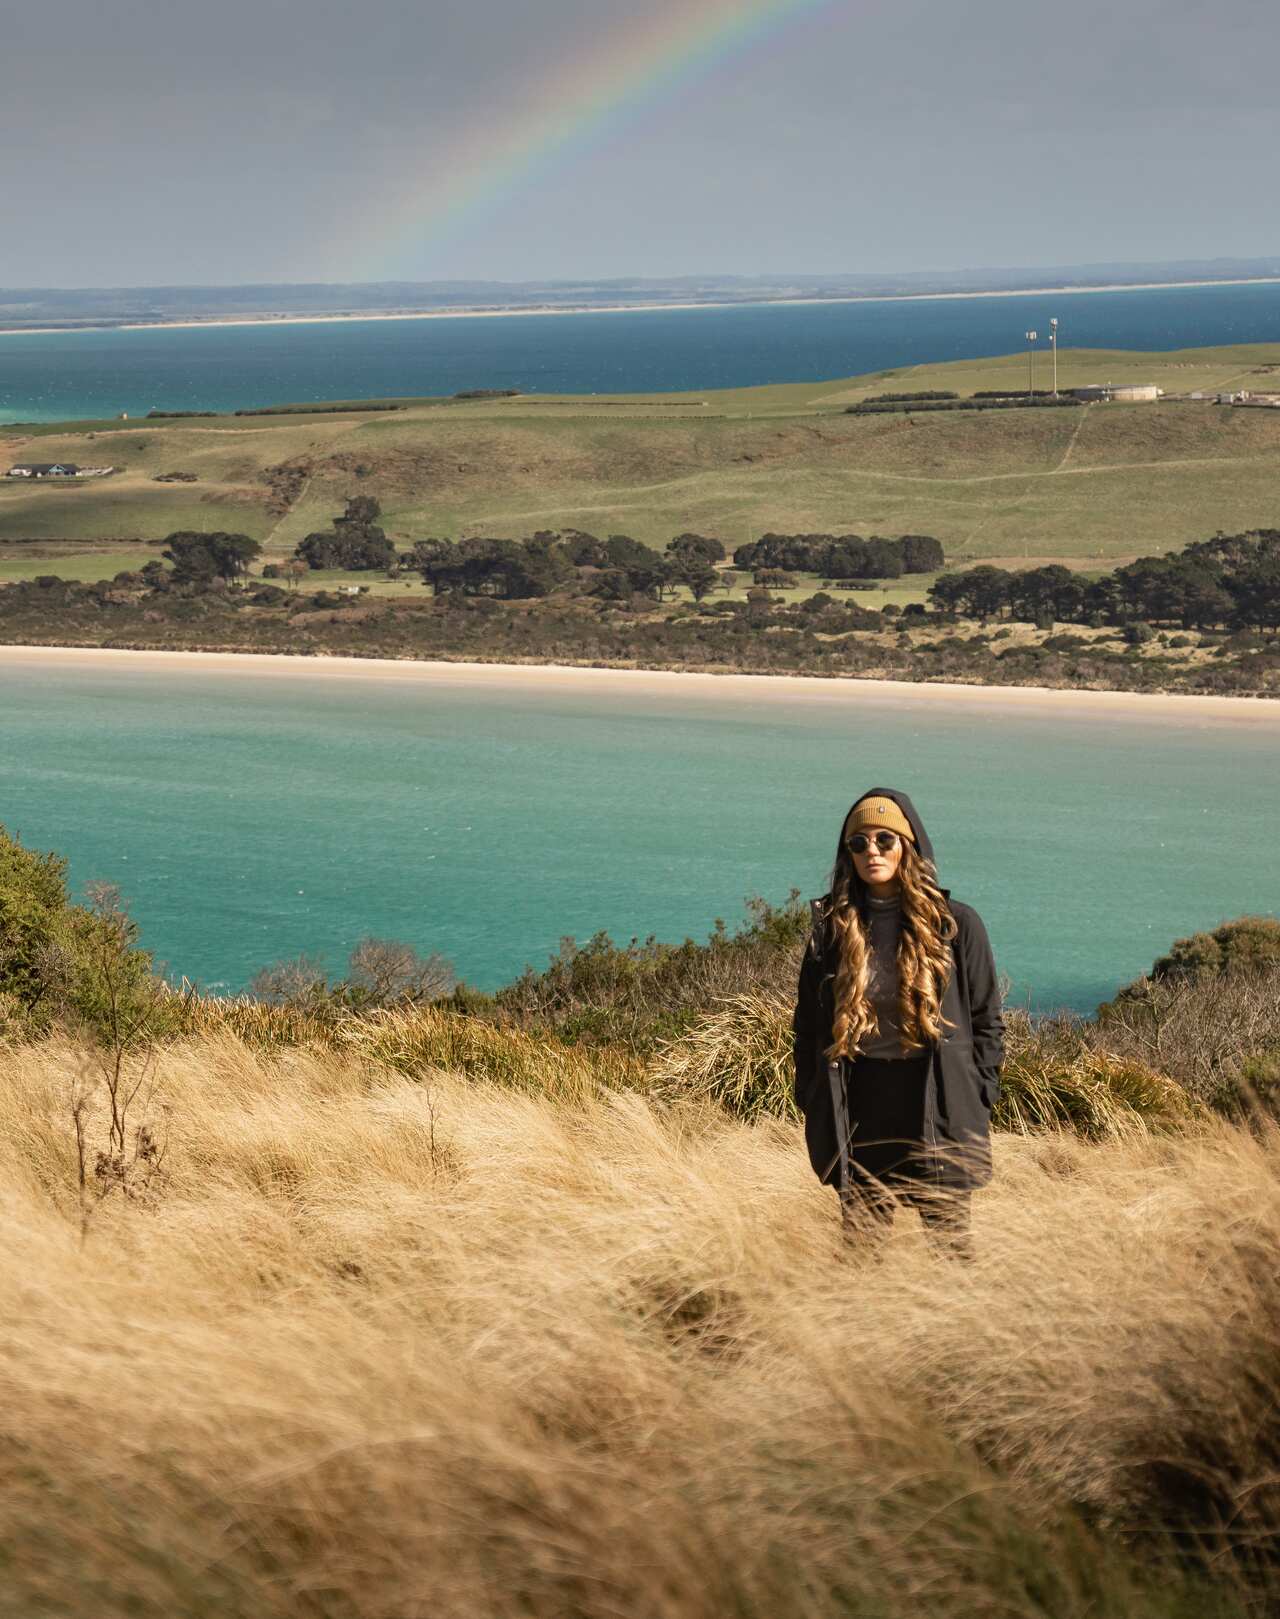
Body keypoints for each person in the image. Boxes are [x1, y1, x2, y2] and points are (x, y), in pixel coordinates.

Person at [790, 788, 1004, 1261]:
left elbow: (987, 1018)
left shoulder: (956, 926)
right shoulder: (831, 929)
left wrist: (981, 1090)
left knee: (950, 1248)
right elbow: (807, 1025)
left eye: (884, 840)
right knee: (861, 1251)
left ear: (908, 845)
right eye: (859, 843)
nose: (872, 852)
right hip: (861, 1100)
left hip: (937, 1096)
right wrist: (808, 1093)